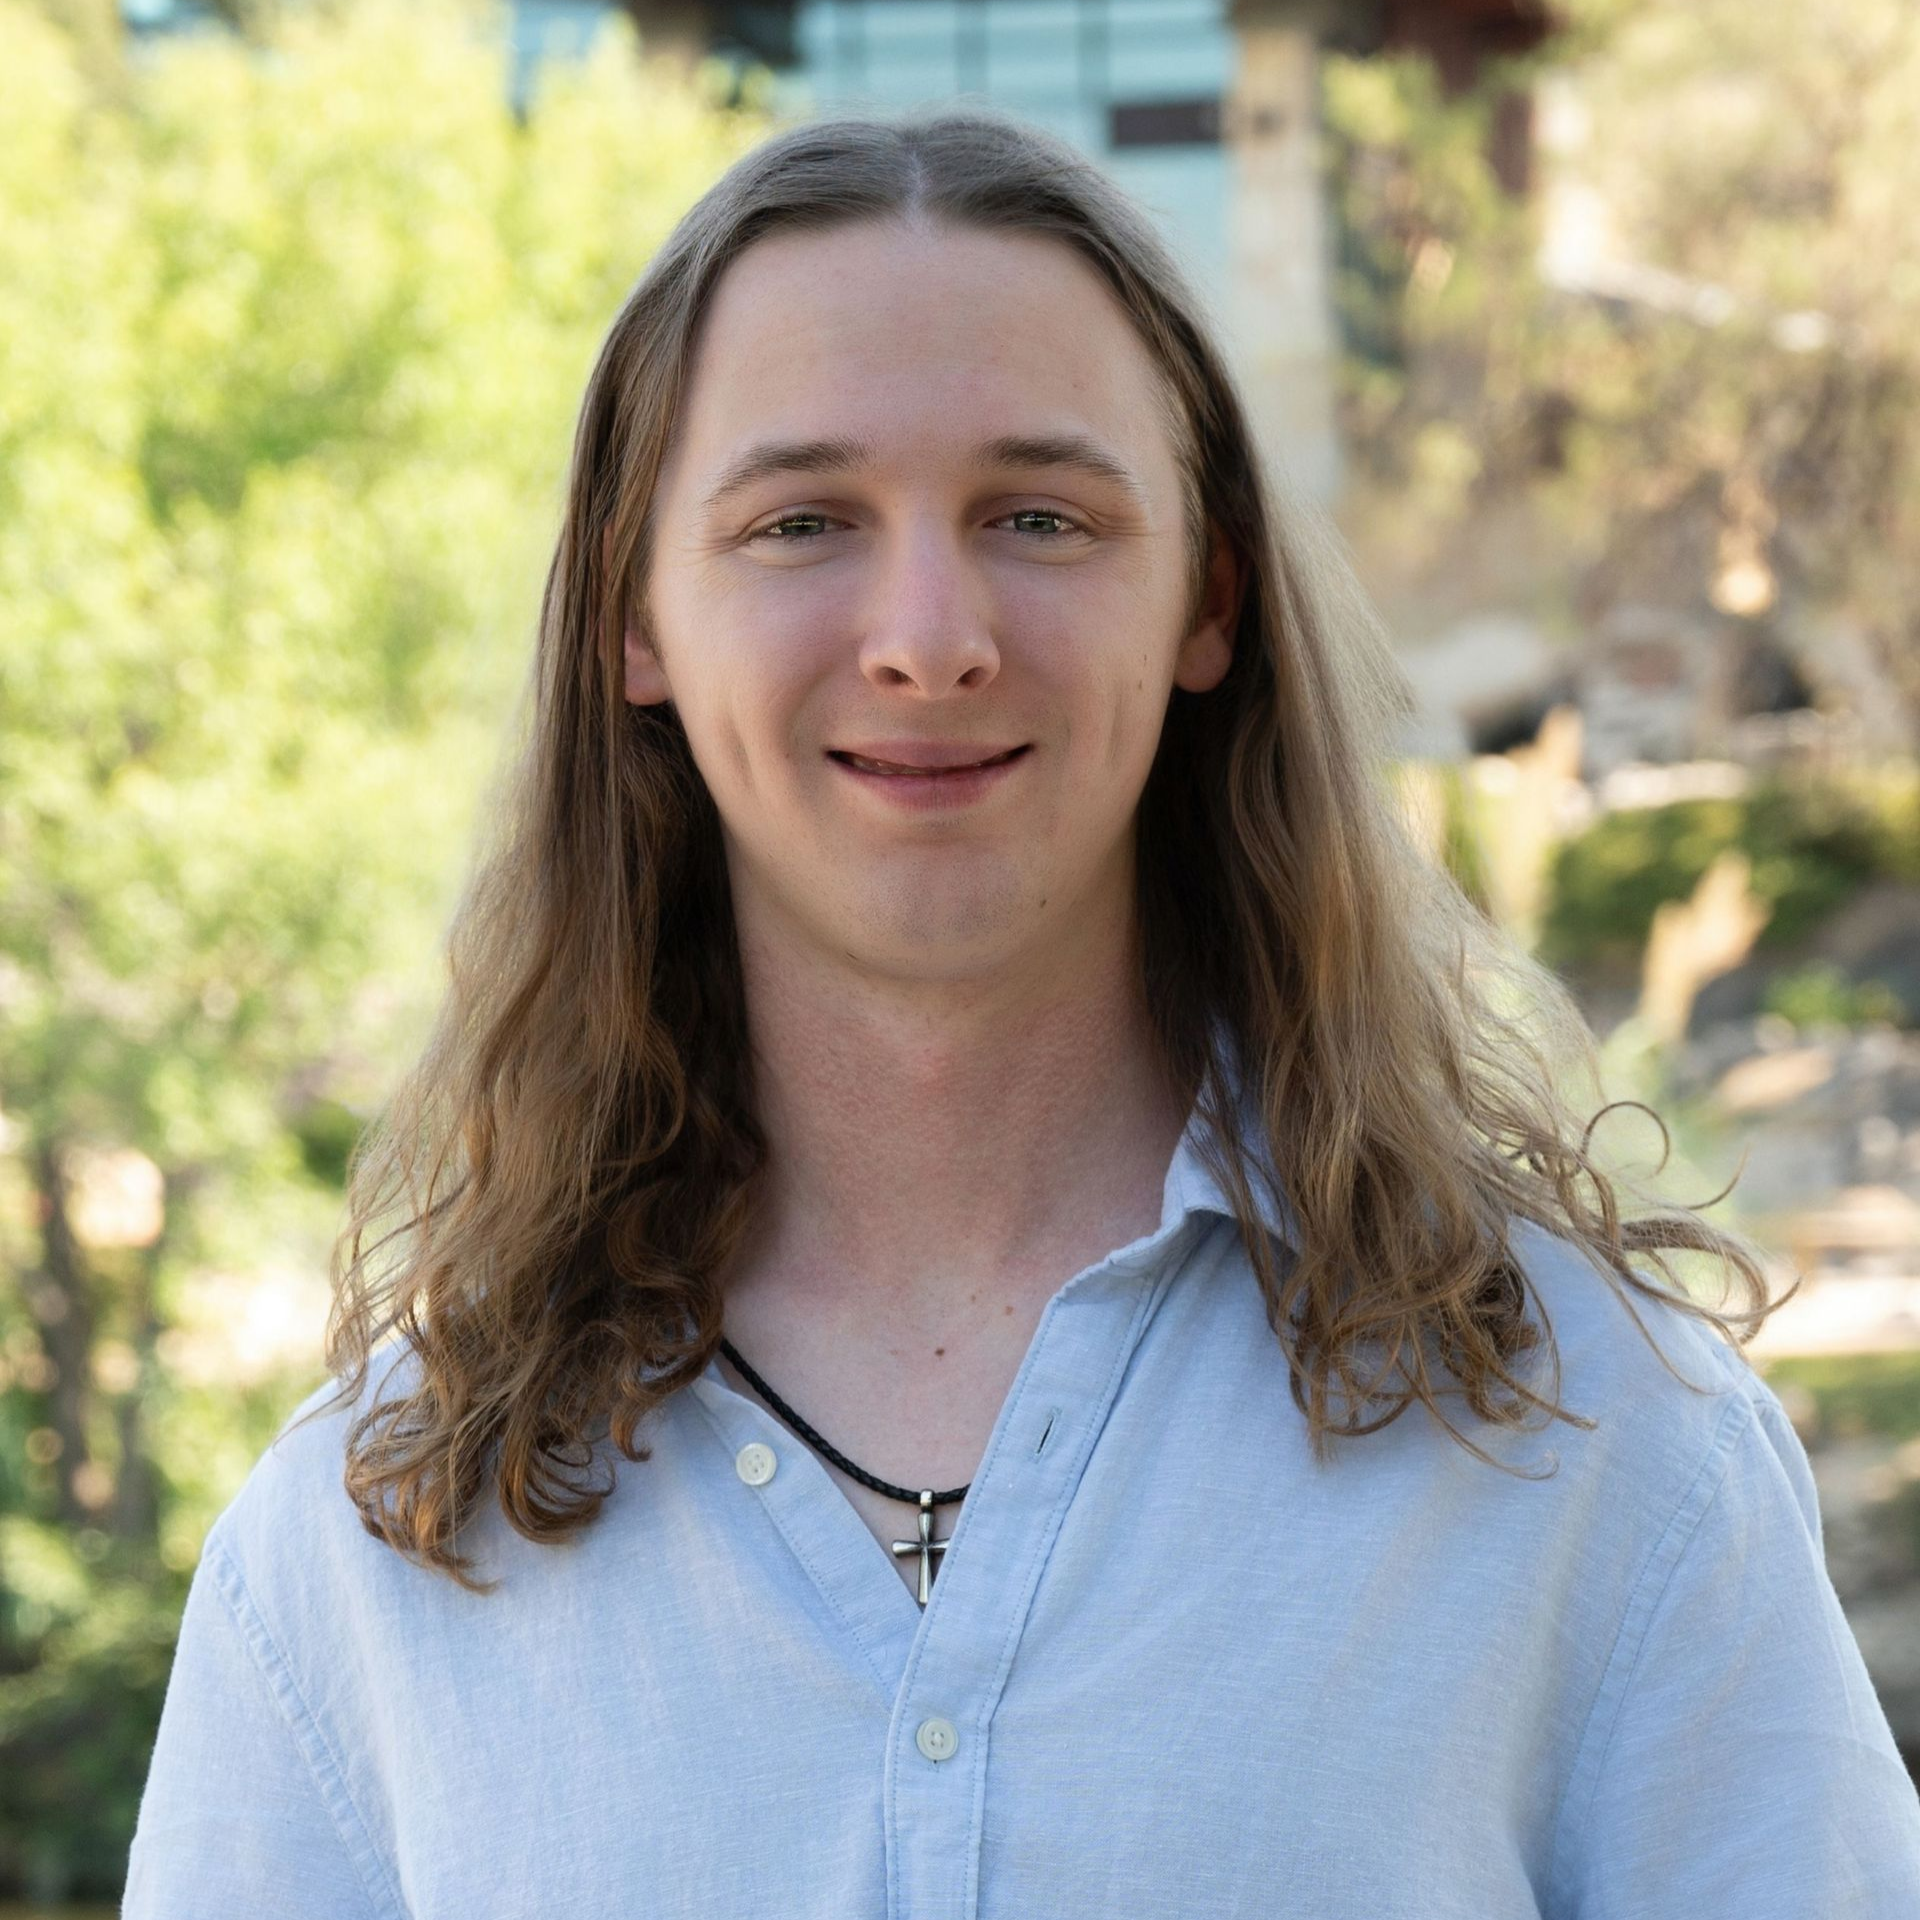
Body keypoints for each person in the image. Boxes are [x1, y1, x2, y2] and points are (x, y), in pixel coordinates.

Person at [122, 106, 1920, 1917]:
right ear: (633, 618)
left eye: (1039, 515)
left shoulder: (1600, 1457)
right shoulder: (361, 1559)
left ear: (1205, 600)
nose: (927, 633)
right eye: (803, 518)